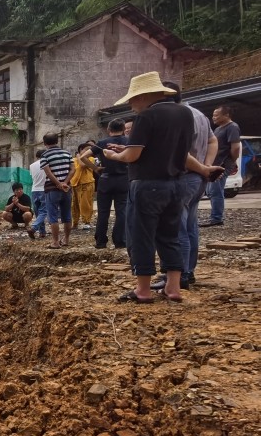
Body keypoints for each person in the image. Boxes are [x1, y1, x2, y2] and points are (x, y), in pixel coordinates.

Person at [102, 72, 207, 303]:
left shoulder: (147, 117)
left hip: (148, 185)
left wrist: (113, 155)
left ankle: (143, 290)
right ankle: (173, 287)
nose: (131, 103)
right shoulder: (184, 114)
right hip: (177, 184)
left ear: (145, 95)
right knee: (170, 235)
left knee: (142, 235)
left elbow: (133, 155)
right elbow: (176, 151)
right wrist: (204, 169)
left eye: (133, 98)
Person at [150, 82, 220, 291]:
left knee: (175, 227)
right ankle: (188, 270)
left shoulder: (176, 116)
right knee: (189, 226)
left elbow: (180, 152)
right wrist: (206, 166)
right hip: (198, 177)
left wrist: (200, 167)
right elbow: (212, 140)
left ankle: (179, 275)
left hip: (184, 175)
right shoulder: (199, 114)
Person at [81, 119, 130, 249]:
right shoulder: (128, 142)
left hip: (106, 179)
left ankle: (101, 241)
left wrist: (95, 168)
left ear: (109, 130)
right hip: (124, 179)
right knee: (122, 211)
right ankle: (120, 240)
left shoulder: (102, 143)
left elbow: (83, 157)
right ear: (124, 129)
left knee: (103, 212)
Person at [202, 105, 241, 227]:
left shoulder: (232, 127)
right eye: (213, 115)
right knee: (210, 191)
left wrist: (230, 161)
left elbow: (236, 147)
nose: (214, 117)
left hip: (223, 163)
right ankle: (215, 217)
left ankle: (216, 218)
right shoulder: (219, 129)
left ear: (226, 115)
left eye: (217, 115)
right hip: (216, 163)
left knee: (215, 191)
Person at [39, 132, 75, 249]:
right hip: (67, 189)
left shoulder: (45, 155)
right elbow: (73, 169)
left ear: (44, 143)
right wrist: (65, 183)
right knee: (67, 215)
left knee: (53, 216)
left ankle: (55, 242)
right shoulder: (67, 153)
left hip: (52, 189)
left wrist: (58, 183)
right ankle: (66, 240)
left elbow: (48, 172)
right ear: (57, 141)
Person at [70, 143, 96, 230]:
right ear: (80, 150)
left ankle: (87, 221)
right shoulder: (73, 160)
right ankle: (75, 222)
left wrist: (78, 156)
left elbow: (83, 165)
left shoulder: (91, 159)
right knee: (75, 204)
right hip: (75, 184)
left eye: (90, 150)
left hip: (87, 183)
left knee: (85, 203)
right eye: (86, 149)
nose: (89, 151)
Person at [28, 149, 47, 238]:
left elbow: (33, 177)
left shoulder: (31, 165)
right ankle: (34, 228)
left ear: (36, 156)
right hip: (44, 189)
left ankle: (42, 232)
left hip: (34, 190)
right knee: (43, 212)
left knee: (38, 213)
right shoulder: (47, 164)